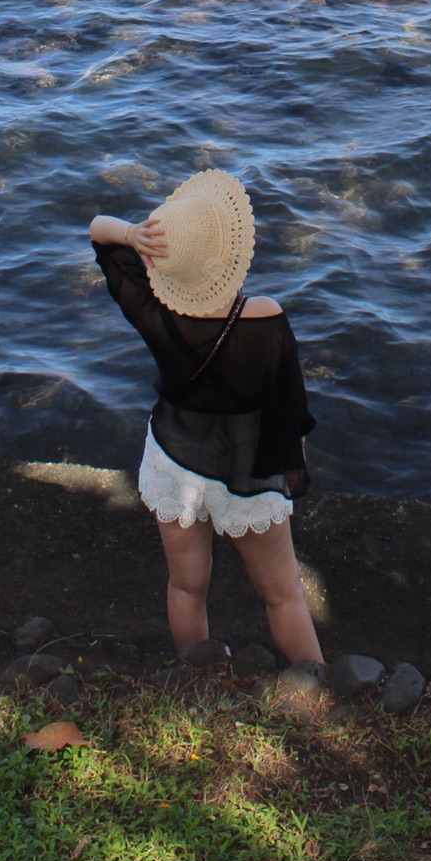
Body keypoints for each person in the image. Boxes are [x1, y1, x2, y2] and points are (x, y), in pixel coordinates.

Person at [90, 169, 323, 665]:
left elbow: (98, 230)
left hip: (174, 461)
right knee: (283, 595)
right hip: (248, 471)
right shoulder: (266, 318)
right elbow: (292, 413)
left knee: (186, 587)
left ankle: (200, 682)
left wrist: (133, 235)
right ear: (228, 258)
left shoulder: (153, 313)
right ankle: (316, 683)